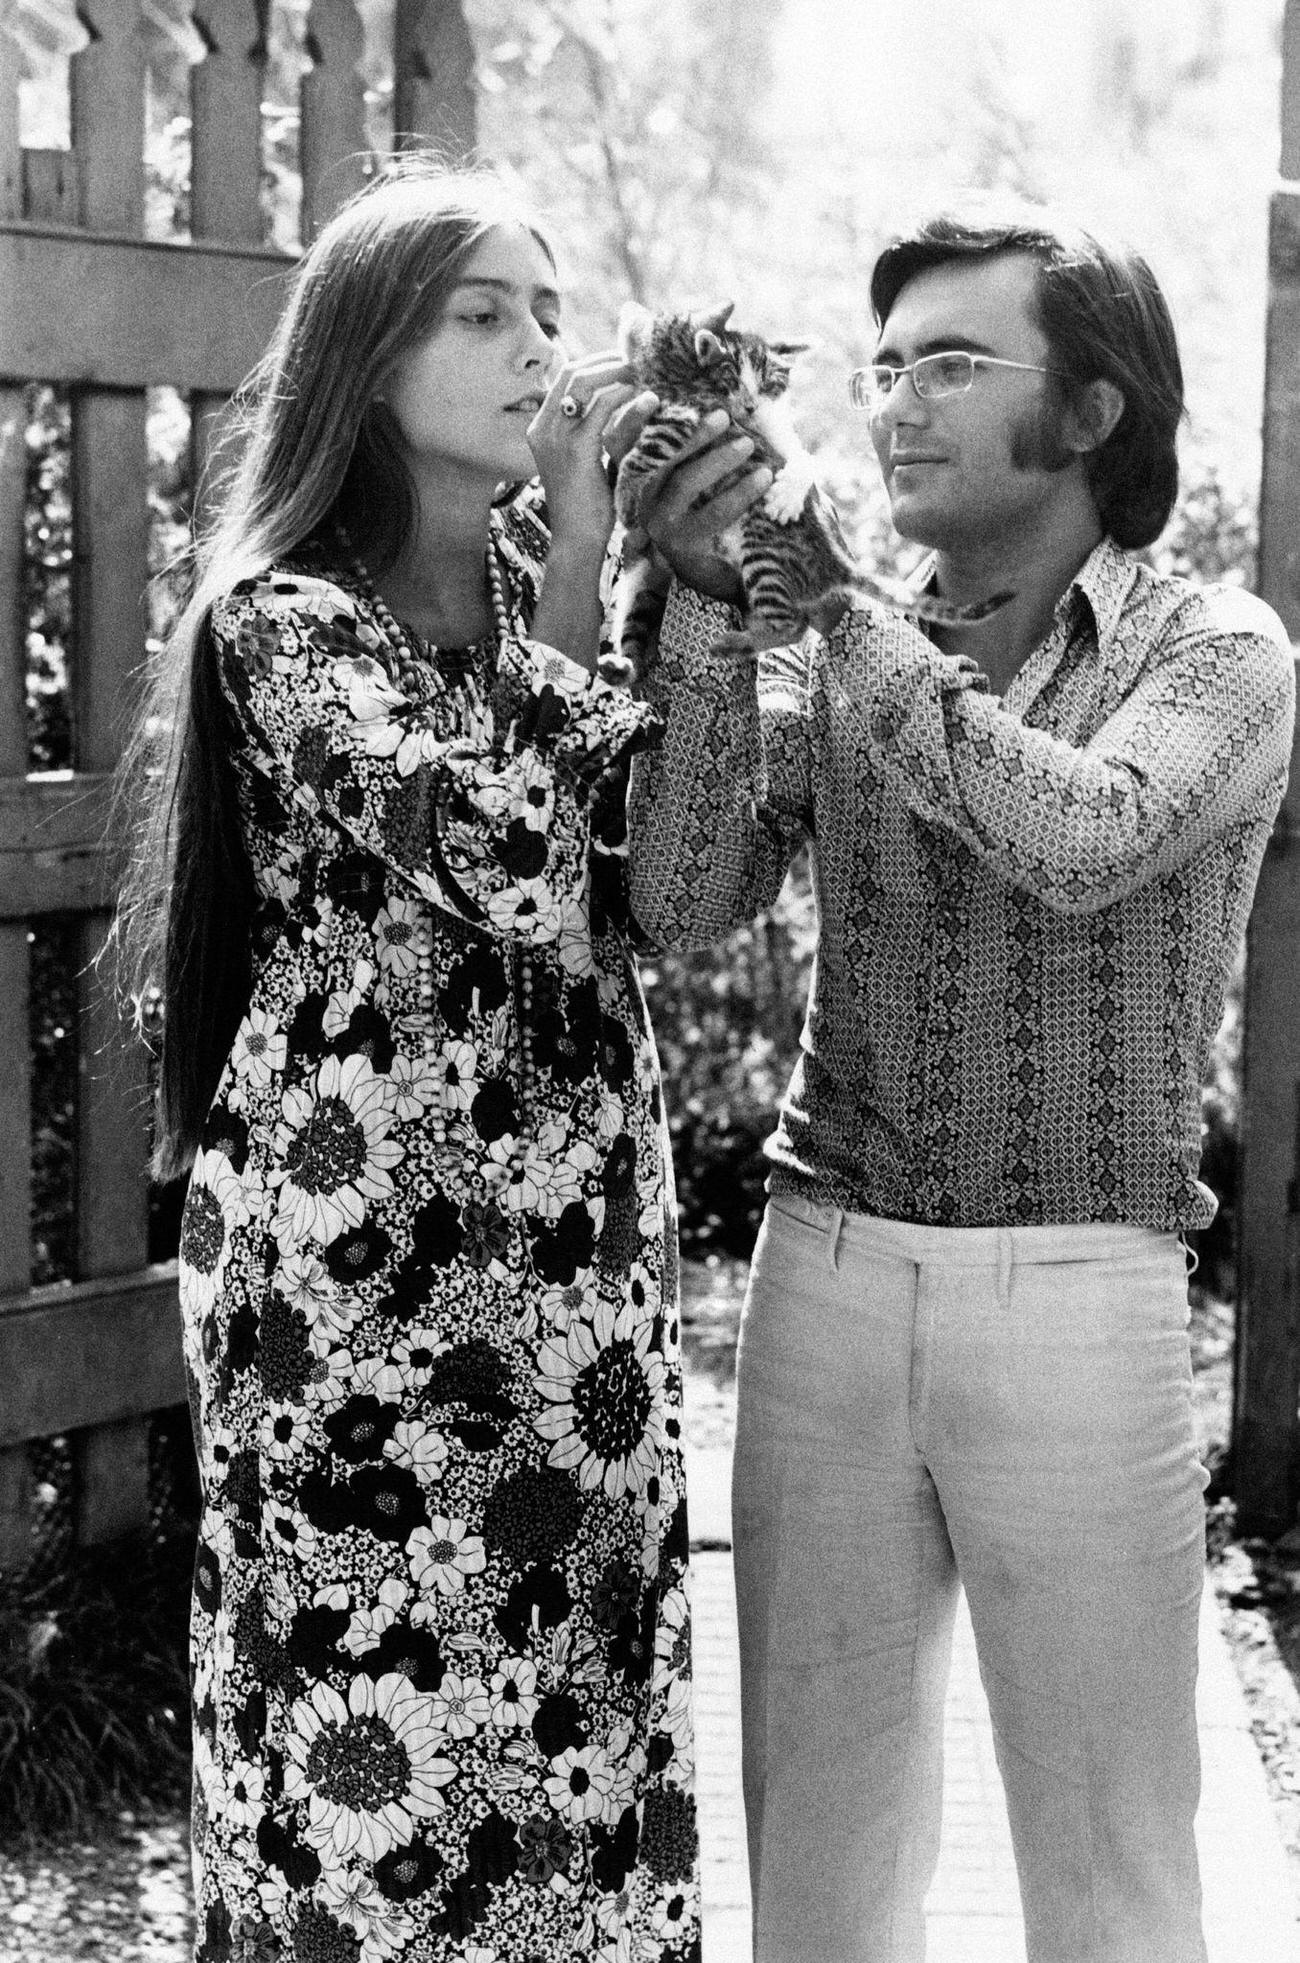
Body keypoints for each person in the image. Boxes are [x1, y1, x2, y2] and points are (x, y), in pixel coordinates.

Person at [621, 205, 1296, 1963]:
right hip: (820, 1273)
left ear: (1088, 416)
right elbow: (683, 901)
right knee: (821, 1874)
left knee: (1111, 1876)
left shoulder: (1218, 652)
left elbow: (1085, 838)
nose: (896, 404)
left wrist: (834, 618)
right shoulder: (841, 637)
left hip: (1086, 1286)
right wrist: (699, 618)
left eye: (950, 364)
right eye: (886, 365)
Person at [116, 162, 700, 1963]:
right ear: (369, 361)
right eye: (485, 312)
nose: (542, 346)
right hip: (365, 1276)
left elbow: (680, 866)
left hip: (579, 1258)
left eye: (550, 307)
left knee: (577, 1729)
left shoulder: (549, 586)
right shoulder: (285, 621)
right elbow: (530, 863)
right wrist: (604, 571)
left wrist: (686, 558)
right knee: (375, 1754)